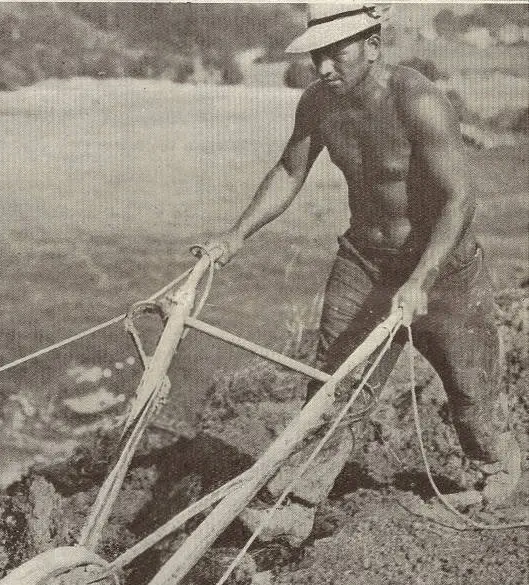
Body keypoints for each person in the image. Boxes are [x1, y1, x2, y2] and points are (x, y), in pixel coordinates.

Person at [195, 4, 521, 541]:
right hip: (365, 263)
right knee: (333, 382)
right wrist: (234, 236)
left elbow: (460, 197)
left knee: (470, 389)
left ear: (373, 43)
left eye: (335, 53)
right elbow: (288, 170)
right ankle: (298, 504)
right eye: (316, 55)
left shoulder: (417, 102)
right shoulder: (319, 105)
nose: (323, 67)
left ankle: (495, 478)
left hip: (445, 270)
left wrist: (421, 279)